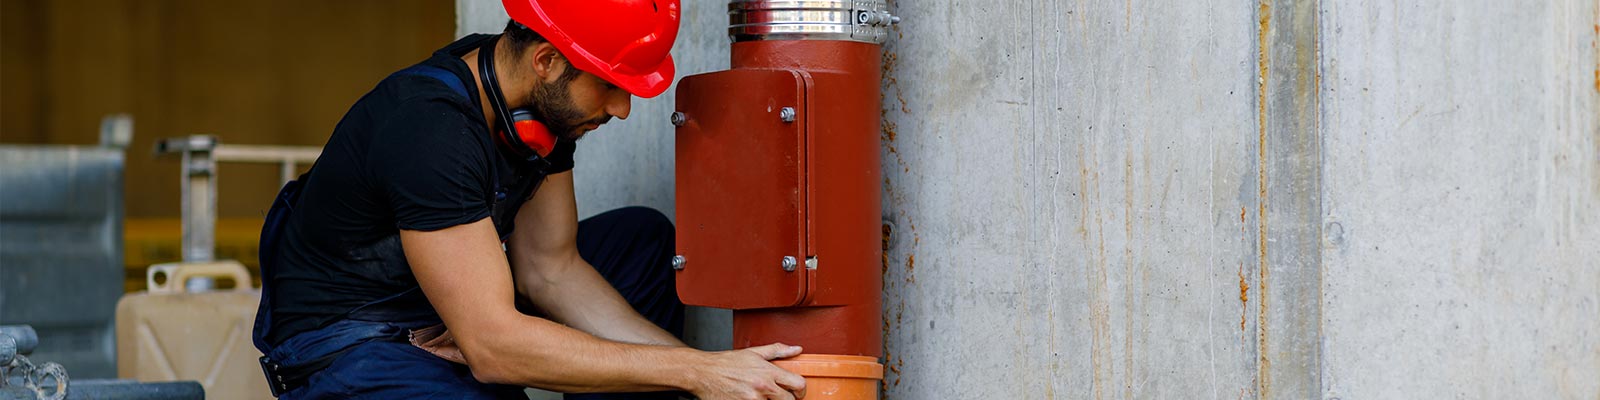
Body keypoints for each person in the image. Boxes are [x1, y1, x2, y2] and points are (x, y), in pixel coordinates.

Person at [250, 1, 807, 399]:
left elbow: (550, 269)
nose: (621, 110)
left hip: (445, 303)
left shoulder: (539, 110)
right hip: (348, 340)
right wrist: (692, 375)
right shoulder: (429, 130)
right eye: (609, 85)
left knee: (641, 242)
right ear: (546, 61)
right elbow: (493, 349)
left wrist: (704, 370)